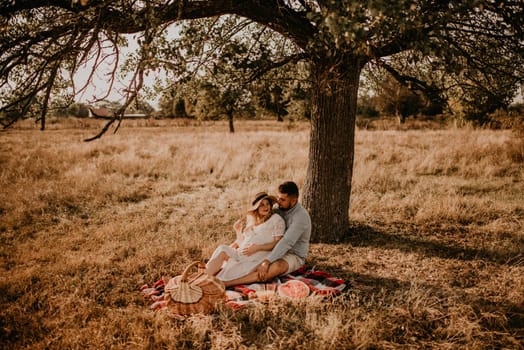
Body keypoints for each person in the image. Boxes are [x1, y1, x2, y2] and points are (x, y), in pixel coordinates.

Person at [222, 181, 311, 287]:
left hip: (292, 254)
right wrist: (239, 241)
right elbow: (259, 222)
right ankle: (223, 272)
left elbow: (286, 243)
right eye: (278, 198)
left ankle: (227, 283)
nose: (278, 201)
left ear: (294, 200)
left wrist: (267, 262)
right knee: (245, 257)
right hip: (274, 248)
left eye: (282, 199)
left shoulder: (301, 218)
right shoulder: (279, 209)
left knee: (274, 268)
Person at [205, 192, 286, 282]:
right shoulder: (253, 222)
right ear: (256, 208)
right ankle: (202, 278)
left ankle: (204, 280)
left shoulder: (276, 220)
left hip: (254, 259)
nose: (266, 207)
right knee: (222, 248)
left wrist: (257, 248)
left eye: (267, 204)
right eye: (262, 205)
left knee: (223, 275)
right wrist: (238, 231)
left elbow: (278, 243)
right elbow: (243, 243)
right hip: (241, 255)